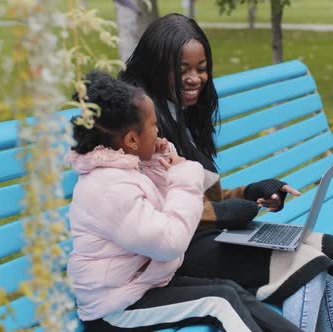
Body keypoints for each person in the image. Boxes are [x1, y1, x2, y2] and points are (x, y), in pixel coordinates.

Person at [120, 13, 333, 332]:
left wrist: (248, 193)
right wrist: (219, 214)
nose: (195, 79)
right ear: (156, 67)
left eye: (201, 69)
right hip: (175, 259)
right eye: (182, 69)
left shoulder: (183, 115)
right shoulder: (143, 128)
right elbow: (154, 215)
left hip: (207, 237)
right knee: (308, 264)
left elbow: (198, 192)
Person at [66, 71, 304, 331]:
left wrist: (161, 161)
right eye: (154, 125)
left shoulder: (124, 171)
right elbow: (170, 242)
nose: (158, 132)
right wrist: (184, 175)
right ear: (132, 140)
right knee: (220, 302)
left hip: (138, 288)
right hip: (115, 309)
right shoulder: (109, 188)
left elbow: (162, 204)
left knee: (228, 290)